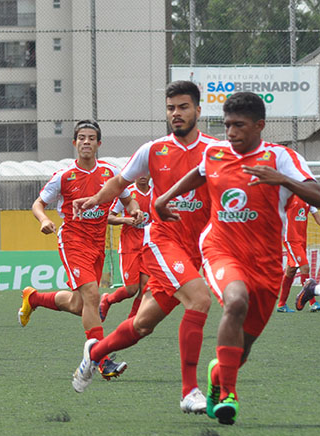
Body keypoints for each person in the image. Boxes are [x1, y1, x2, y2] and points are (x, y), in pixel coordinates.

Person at [153, 91, 320, 425]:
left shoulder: (280, 158)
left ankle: (220, 376)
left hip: (266, 262)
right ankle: (229, 393)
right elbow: (200, 173)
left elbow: (319, 196)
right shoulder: (216, 152)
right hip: (220, 248)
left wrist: (283, 180)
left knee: (242, 349)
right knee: (235, 300)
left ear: (259, 126)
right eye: (227, 125)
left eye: (239, 126)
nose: (231, 133)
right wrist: (165, 198)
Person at [72, 81, 217, 412]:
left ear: (198, 109)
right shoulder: (153, 150)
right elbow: (119, 183)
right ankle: (190, 391)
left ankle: (93, 353)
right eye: (170, 108)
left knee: (141, 326)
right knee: (199, 299)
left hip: (195, 251)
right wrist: (95, 199)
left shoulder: (214, 150)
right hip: (163, 242)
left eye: (182, 107)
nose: (176, 114)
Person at [17, 120, 141, 387]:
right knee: (93, 297)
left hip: (97, 245)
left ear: (99, 144)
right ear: (74, 143)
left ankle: (34, 297)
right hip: (72, 241)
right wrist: (43, 220)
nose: (86, 142)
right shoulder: (64, 176)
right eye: (81, 138)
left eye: (91, 138)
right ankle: (102, 359)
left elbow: (128, 198)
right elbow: (38, 203)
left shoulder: (111, 173)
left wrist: (134, 210)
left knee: (79, 304)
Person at [101, 174, 153, 322]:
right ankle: (108, 300)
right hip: (130, 245)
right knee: (131, 289)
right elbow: (108, 217)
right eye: (139, 172)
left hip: (150, 246)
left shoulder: (156, 192)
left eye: (146, 172)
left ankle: (132, 322)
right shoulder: (127, 194)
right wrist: (126, 220)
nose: (142, 176)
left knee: (146, 288)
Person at [276, 196, 320, 312]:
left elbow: (319, 219)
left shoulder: (309, 199)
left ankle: (281, 305)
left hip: (302, 240)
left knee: (290, 271)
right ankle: (313, 303)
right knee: (305, 267)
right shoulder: (288, 197)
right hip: (291, 239)